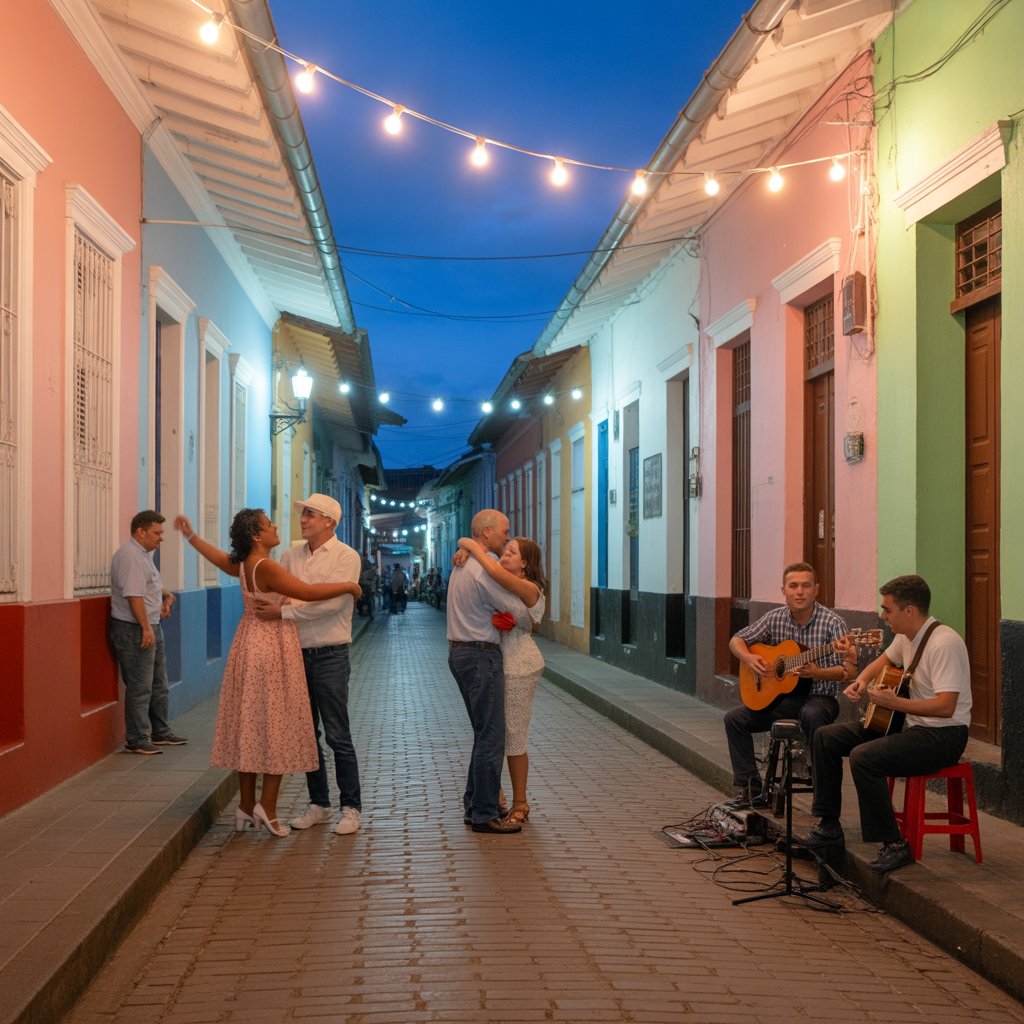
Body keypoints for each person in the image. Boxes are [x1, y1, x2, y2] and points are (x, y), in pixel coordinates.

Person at [174, 509, 360, 837]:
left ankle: (247, 805)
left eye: (309, 515)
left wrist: (192, 538)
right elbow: (309, 593)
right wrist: (349, 587)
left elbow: (220, 560)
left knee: (252, 725)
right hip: (270, 648)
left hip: (249, 642)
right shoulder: (269, 565)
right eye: (269, 524)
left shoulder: (248, 564)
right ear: (257, 536)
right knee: (276, 725)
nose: (278, 526)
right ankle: (268, 808)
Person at [797, 575, 972, 872]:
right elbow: (884, 662)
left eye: (887, 609)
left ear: (909, 611)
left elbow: (946, 707)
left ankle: (895, 844)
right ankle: (828, 827)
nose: (882, 616)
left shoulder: (944, 644)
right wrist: (862, 681)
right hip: (914, 727)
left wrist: (896, 704)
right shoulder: (908, 637)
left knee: (865, 757)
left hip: (944, 736)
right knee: (825, 737)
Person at [253, 494, 365, 836]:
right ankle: (319, 803)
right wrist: (295, 601)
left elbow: (331, 605)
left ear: (330, 521)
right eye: (303, 514)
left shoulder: (347, 557)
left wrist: (288, 609)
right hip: (295, 653)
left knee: (337, 734)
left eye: (310, 515)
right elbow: (281, 594)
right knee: (306, 735)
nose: (303, 519)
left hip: (330, 653)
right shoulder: (290, 555)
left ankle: (351, 807)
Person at [725, 562, 854, 807]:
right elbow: (737, 640)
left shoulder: (833, 623)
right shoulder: (774, 618)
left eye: (806, 586)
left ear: (816, 589)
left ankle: (824, 798)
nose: (800, 591)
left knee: (812, 713)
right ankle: (751, 788)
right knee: (735, 719)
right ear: (783, 590)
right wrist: (749, 657)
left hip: (820, 698)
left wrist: (818, 672)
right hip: (782, 700)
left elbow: (847, 672)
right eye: (793, 586)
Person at [446, 509, 532, 834]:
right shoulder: (483, 571)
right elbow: (518, 610)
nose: (507, 537)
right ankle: (484, 813)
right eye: (504, 531)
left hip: (460, 653)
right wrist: (530, 609)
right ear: (485, 533)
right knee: (492, 736)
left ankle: (473, 806)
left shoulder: (463, 563)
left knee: (483, 734)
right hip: (481, 655)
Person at [457, 535, 546, 825]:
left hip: (520, 665)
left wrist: (469, 546)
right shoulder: (500, 584)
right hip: (497, 662)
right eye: (504, 550)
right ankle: (495, 796)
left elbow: (493, 570)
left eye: (511, 552)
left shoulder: (530, 588)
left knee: (513, 735)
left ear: (525, 563)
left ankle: (521, 802)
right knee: (490, 733)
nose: (503, 555)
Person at [110, 510, 187, 754]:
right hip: (134, 629)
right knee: (140, 686)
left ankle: (161, 732)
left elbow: (147, 585)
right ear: (140, 532)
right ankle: (136, 738)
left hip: (150, 625)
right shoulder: (130, 556)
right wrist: (145, 628)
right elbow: (133, 595)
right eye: (157, 533)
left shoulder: (143, 555)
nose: (161, 538)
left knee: (158, 683)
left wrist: (164, 594)